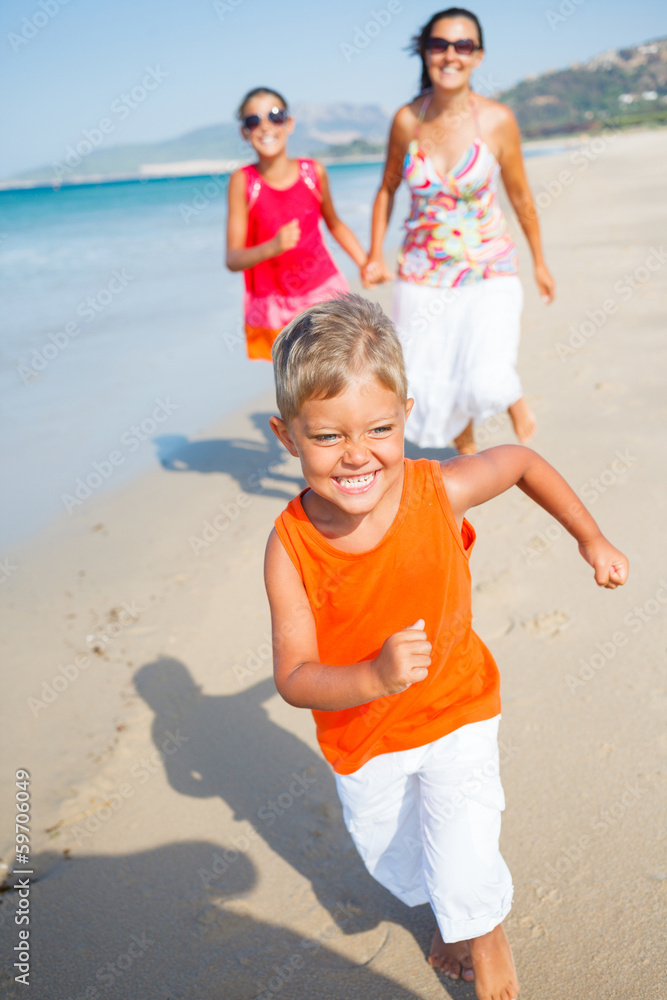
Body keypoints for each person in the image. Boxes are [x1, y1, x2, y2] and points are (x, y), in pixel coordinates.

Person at [263, 295, 628, 1000]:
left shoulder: (438, 492)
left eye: (378, 428)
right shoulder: (290, 548)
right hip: (366, 740)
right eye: (328, 437)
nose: (358, 454)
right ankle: (452, 918)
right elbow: (294, 676)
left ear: (406, 415)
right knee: (395, 853)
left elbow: (519, 460)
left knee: (462, 852)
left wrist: (590, 536)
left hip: (457, 709)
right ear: (286, 436)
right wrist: (371, 675)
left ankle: (486, 945)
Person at [363, 8, 555, 454]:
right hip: (422, 272)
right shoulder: (407, 119)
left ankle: (511, 398)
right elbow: (387, 188)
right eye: (439, 45)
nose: (450, 55)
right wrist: (374, 253)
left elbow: (522, 199)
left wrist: (540, 262)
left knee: (486, 378)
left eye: (462, 45)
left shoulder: (497, 120)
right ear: (426, 53)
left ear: (478, 56)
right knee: (425, 380)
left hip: (489, 267)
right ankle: (467, 453)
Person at [225, 86, 367, 361]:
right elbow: (233, 258)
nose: (265, 126)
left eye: (274, 116)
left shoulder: (313, 172)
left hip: (321, 289)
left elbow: (335, 224)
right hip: (273, 304)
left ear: (289, 124)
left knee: (333, 372)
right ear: (244, 132)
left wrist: (365, 263)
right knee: (295, 387)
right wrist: (272, 247)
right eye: (253, 121)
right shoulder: (243, 182)